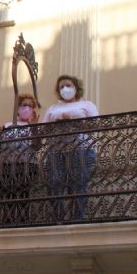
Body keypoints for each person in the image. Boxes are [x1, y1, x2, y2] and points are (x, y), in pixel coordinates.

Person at [42, 75, 98, 220]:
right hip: (56, 151)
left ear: (76, 87)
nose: (64, 89)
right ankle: (57, 218)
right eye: (61, 87)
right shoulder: (53, 108)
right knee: (54, 183)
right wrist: (56, 124)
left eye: (68, 85)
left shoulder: (87, 105)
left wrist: (73, 121)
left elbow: (95, 125)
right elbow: (43, 130)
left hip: (81, 150)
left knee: (79, 183)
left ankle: (77, 218)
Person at [0, 93, 41, 224]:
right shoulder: (8, 124)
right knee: (6, 194)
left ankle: (23, 221)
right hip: (7, 164)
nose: (27, 108)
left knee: (23, 194)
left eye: (30, 106)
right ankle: (6, 221)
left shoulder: (34, 126)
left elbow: (37, 146)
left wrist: (34, 128)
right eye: (24, 105)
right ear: (18, 108)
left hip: (27, 164)